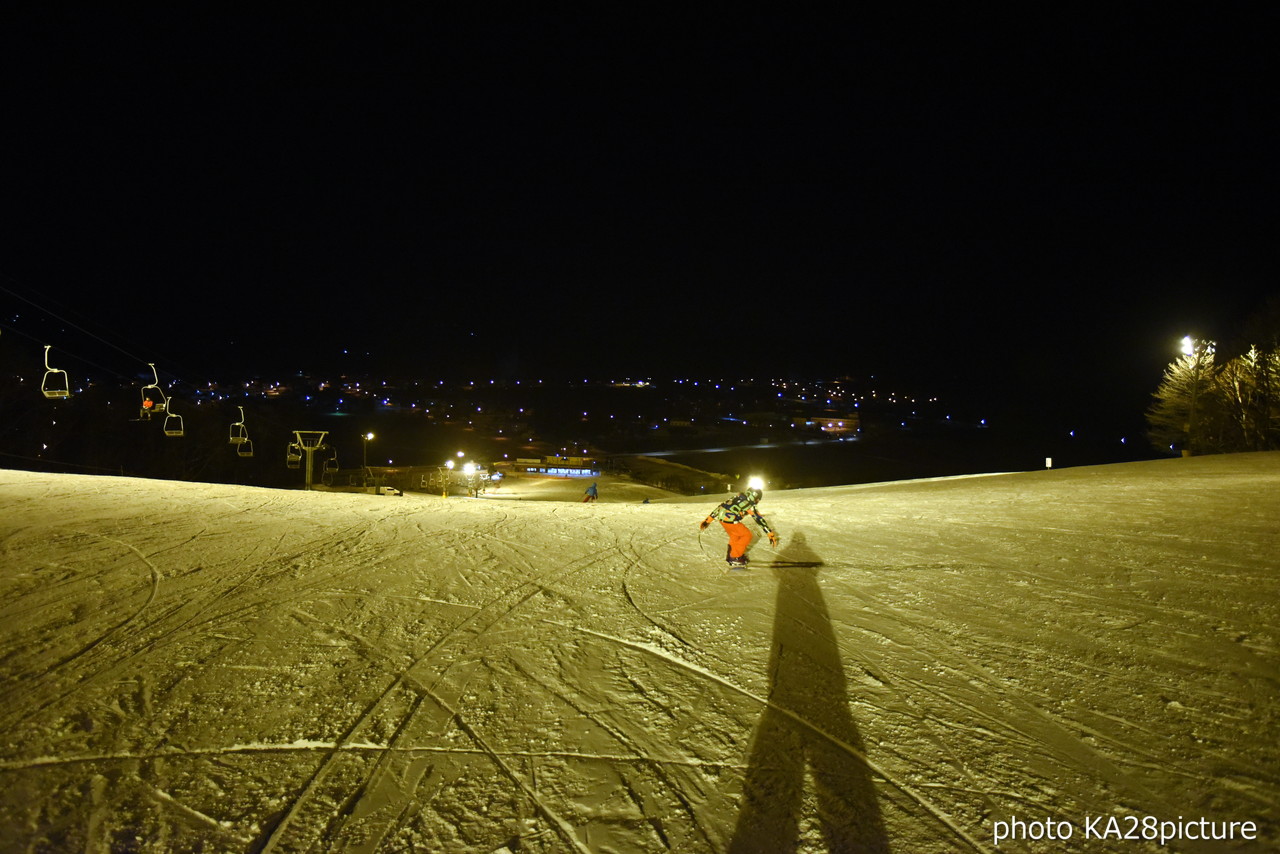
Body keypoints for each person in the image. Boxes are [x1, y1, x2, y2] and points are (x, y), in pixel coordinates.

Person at [700, 484, 779, 566]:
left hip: (723, 520)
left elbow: (720, 507)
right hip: (731, 521)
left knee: (735, 536)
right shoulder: (748, 503)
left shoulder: (736, 497)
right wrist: (769, 533)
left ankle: (730, 554)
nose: (757, 502)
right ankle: (735, 557)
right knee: (746, 535)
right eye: (757, 499)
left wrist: (708, 520)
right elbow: (758, 519)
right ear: (754, 497)